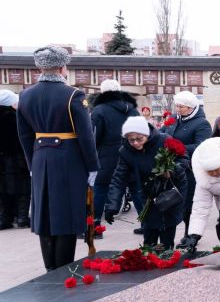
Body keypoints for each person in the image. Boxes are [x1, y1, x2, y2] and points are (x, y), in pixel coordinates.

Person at [16, 46, 99, 271]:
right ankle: (63, 269)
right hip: (69, 160)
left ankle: (49, 270)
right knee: (67, 214)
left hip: (40, 158)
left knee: (44, 216)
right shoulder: (73, 94)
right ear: (63, 67)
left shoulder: (25, 95)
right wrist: (92, 166)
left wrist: (32, 162)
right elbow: (85, 135)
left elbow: (24, 134)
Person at [104, 117, 187, 249]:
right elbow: (119, 178)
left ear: (146, 134)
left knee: (166, 236)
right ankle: (150, 255)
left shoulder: (164, 140)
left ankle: (166, 254)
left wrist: (172, 169)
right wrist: (112, 205)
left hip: (170, 194)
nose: (136, 143)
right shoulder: (125, 151)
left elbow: (183, 159)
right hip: (148, 196)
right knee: (149, 237)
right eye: (131, 140)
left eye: (139, 138)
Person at [160, 91, 212, 246]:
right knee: (171, 200)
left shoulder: (202, 123)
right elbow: (162, 133)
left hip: (190, 168)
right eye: (176, 106)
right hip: (171, 166)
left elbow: (201, 146)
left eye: (181, 107)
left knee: (188, 202)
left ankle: (190, 233)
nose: (177, 109)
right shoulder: (174, 119)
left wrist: (176, 147)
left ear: (190, 107)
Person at [90, 79, 139, 235]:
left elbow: (94, 137)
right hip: (131, 155)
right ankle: (147, 224)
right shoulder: (132, 109)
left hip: (107, 156)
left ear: (103, 92)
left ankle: (95, 227)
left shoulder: (99, 110)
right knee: (136, 189)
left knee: (100, 189)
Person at [0, 90, 30, 229]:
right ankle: (22, 218)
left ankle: (4, 219)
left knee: (2, 191)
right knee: (22, 189)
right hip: (17, 159)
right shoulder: (16, 117)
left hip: (2, 160)